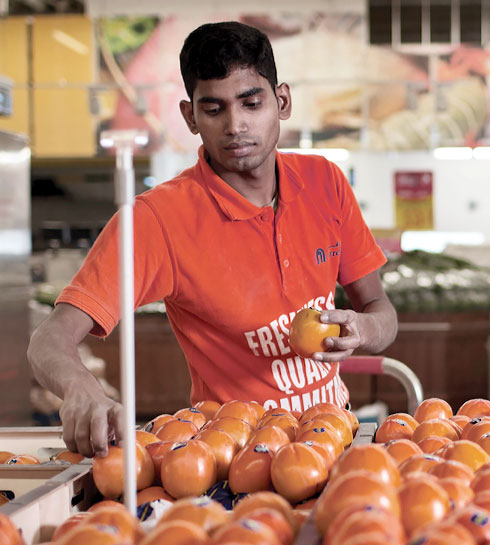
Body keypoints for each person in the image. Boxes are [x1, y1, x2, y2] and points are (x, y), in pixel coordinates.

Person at [28, 21, 397, 458]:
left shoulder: (325, 183)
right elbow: (49, 338)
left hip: (335, 439)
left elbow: (382, 312)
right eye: (214, 109)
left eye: (251, 102)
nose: (236, 125)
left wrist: (362, 329)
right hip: (232, 459)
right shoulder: (157, 220)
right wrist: (80, 388)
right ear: (191, 116)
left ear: (281, 101)